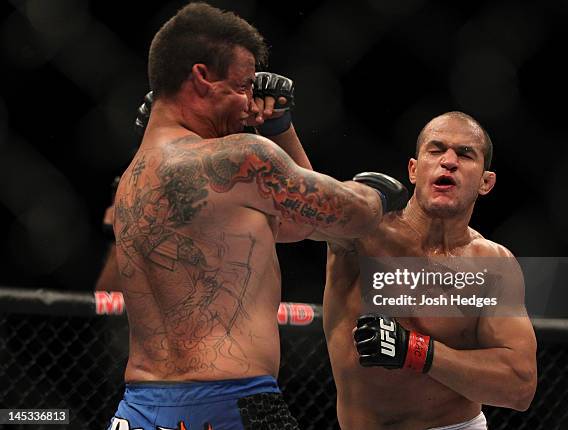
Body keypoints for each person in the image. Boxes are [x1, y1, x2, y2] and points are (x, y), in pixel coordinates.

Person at [106, 3, 409, 429]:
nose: (251, 103)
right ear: (202, 77)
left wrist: (279, 128)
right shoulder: (241, 158)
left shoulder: (132, 181)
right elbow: (346, 216)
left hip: (138, 411)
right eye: (244, 85)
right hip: (230, 404)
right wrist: (378, 192)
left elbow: (295, 222)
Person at [321, 112, 537, 429]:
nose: (448, 161)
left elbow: (519, 387)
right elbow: (296, 215)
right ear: (413, 169)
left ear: (485, 182)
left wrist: (415, 351)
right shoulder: (364, 231)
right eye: (436, 150)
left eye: (465, 154)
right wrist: (279, 127)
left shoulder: (493, 264)